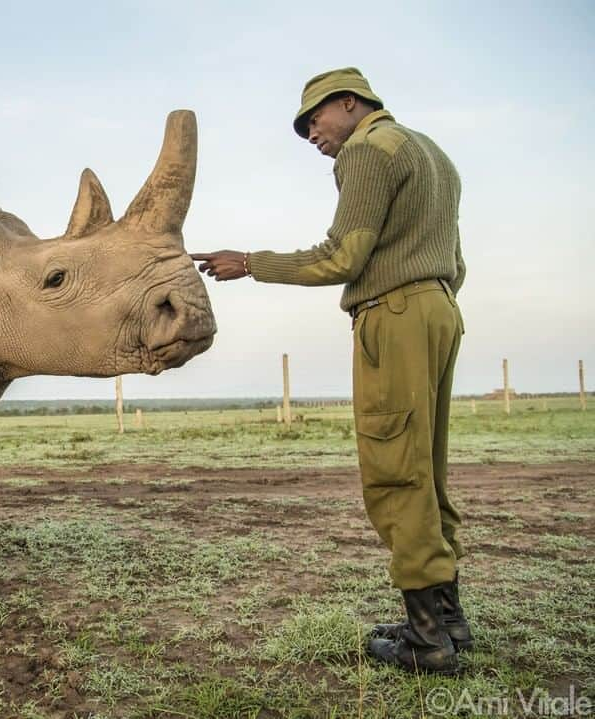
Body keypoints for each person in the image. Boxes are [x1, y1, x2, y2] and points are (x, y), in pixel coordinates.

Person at [191, 67, 471, 675]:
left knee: (397, 472)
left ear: (350, 102)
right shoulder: (432, 153)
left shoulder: (369, 150)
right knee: (427, 465)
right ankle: (447, 620)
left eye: (314, 119)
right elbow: (455, 256)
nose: (310, 135)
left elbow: (342, 256)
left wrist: (250, 262)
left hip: (393, 315)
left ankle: (427, 642)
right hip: (439, 308)